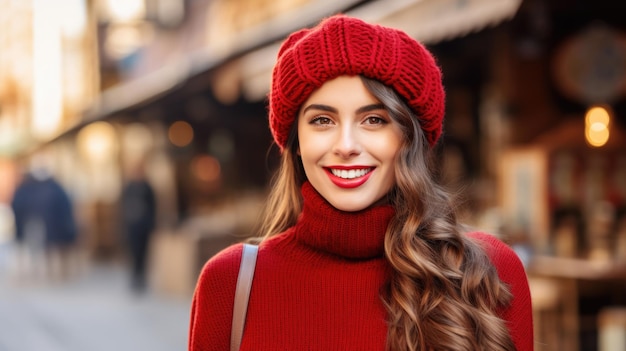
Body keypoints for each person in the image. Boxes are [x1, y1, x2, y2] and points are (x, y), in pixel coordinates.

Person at [189, 14, 533, 351]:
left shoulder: (486, 274)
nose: (346, 145)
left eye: (374, 119)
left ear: (408, 139)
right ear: (297, 143)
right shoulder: (231, 285)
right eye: (322, 120)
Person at [120, 159, 157, 293]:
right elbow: (123, 207)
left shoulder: (147, 187)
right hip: (132, 225)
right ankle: (135, 276)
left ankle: (142, 276)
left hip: (144, 225)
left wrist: (151, 224)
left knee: (144, 252)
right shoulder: (129, 187)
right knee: (134, 251)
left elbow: (153, 207)